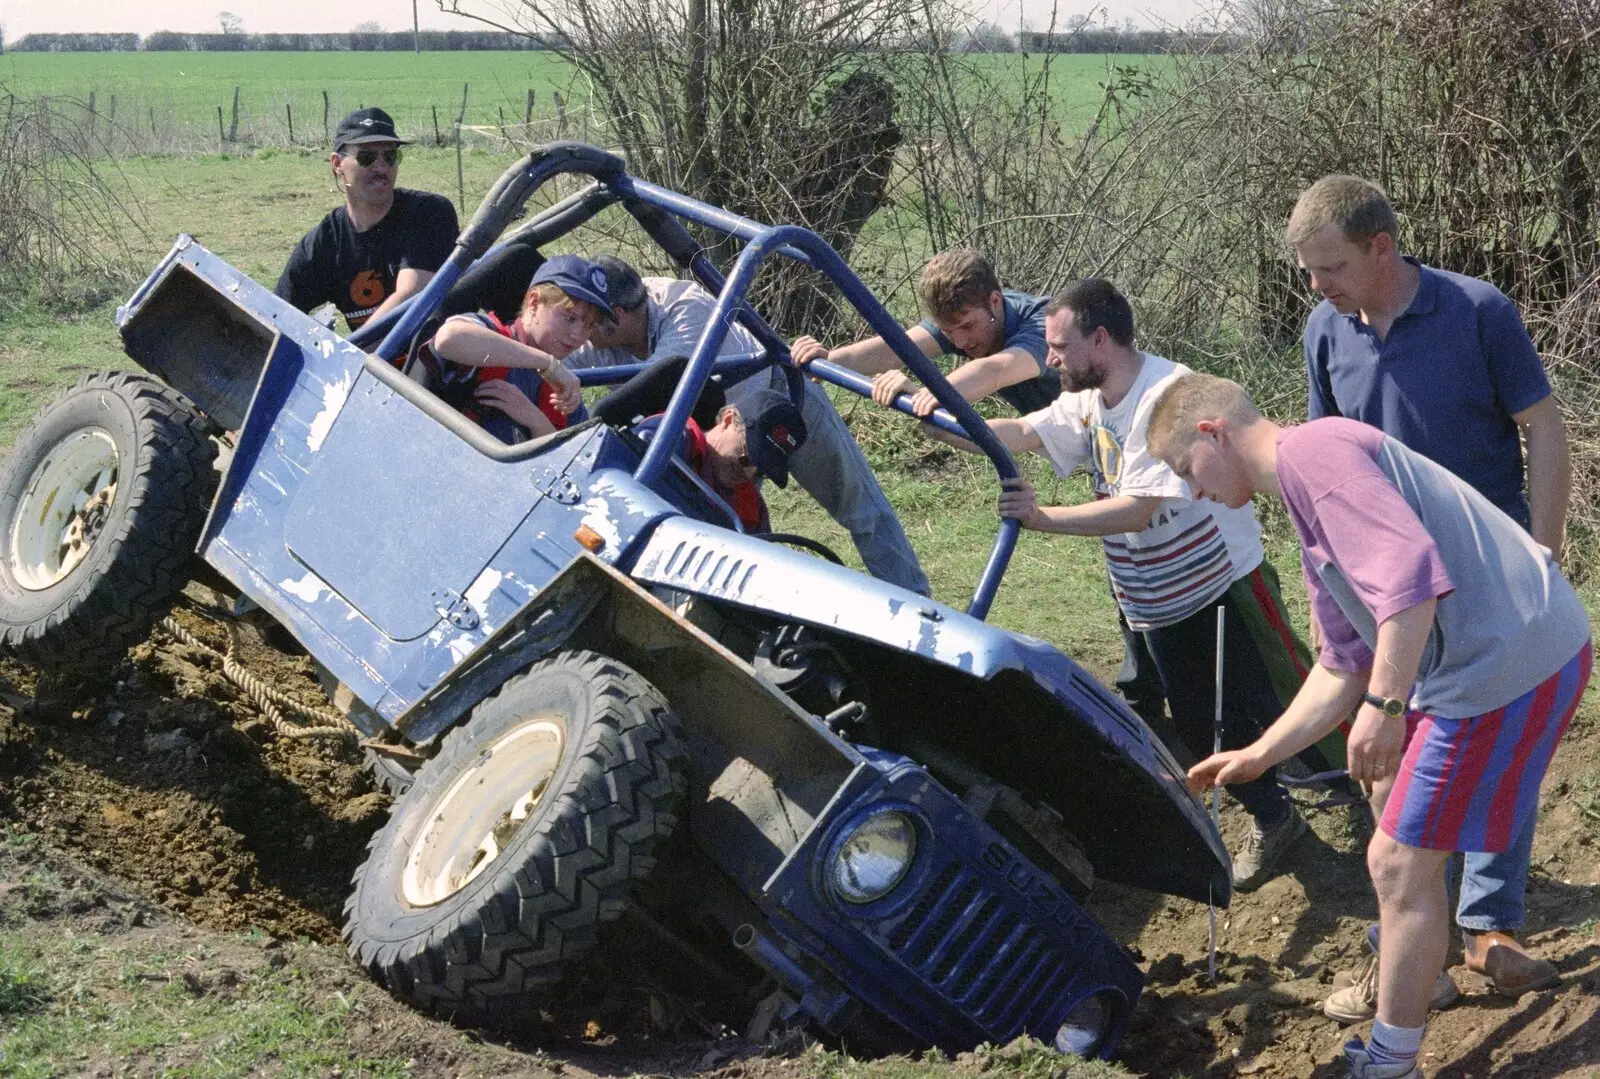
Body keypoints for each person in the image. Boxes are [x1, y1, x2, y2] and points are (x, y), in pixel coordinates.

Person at [1145, 373, 1589, 1079]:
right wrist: (1261, 753)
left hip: (1508, 660)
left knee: (1395, 861)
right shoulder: (1304, 492)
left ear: (1212, 433)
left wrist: (1385, 710)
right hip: (1497, 654)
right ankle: (1426, 974)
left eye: (1184, 471)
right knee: (1388, 808)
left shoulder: (1314, 456)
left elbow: (1411, 577)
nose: (1191, 492)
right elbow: (1343, 661)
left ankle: (1390, 1062)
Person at [927, 279, 1314, 891]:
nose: (1049, 358)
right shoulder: (1090, 395)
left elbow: (1136, 508)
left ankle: (1340, 794)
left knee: (1272, 696)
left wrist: (1042, 519)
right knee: (1197, 719)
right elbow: (1025, 431)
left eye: (1058, 345)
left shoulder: (1165, 396)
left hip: (1217, 581)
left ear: (1100, 339)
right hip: (1154, 592)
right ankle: (1282, 812)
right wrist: (938, 417)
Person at [1292, 174, 1574, 1010]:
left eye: (1331, 266)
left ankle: (1493, 926)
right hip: (1394, 589)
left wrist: (1544, 553)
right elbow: (1318, 453)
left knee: (1499, 744)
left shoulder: (1476, 311)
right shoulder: (1324, 329)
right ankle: (1423, 942)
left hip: (1488, 578)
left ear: (1383, 247)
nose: (1319, 286)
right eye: (1310, 272)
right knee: (1405, 752)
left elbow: (1545, 429)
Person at [565, 256, 930, 595]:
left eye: (587, 321)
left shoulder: (685, 310)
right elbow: (552, 361)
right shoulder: (605, 326)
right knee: (716, 542)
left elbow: (648, 392)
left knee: (861, 508)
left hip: (780, 401)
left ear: (615, 316)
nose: (580, 333)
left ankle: (923, 616)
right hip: (720, 438)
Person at [789, 247, 1060, 418]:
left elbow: (997, 370)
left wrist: (929, 393)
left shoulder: (1047, 325)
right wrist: (826, 362)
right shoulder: (967, 319)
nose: (961, 342)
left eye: (967, 326)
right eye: (948, 331)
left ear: (995, 301)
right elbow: (898, 349)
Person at [276, 107, 459, 332]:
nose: (381, 167)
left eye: (390, 156)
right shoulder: (323, 243)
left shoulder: (429, 212)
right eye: (367, 156)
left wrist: (351, 355)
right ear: (337, 164)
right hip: (368, 364)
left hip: (433, 359)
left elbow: (411, 296)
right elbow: (277, 315)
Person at [424, 255, 604, 443]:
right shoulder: (488, 333)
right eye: (570, 318)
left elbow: (575, 462)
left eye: (588, 326)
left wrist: (536, 422)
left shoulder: (565, 393)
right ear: (534, 303)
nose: (577, 335)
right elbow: (448, 339)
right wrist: (547, 364)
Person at [633, 389, 807, 533]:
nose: (748, 474)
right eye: (747, 457)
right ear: (728, 419)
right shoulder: (666, 439)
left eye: (760, 471)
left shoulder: (752, 510)